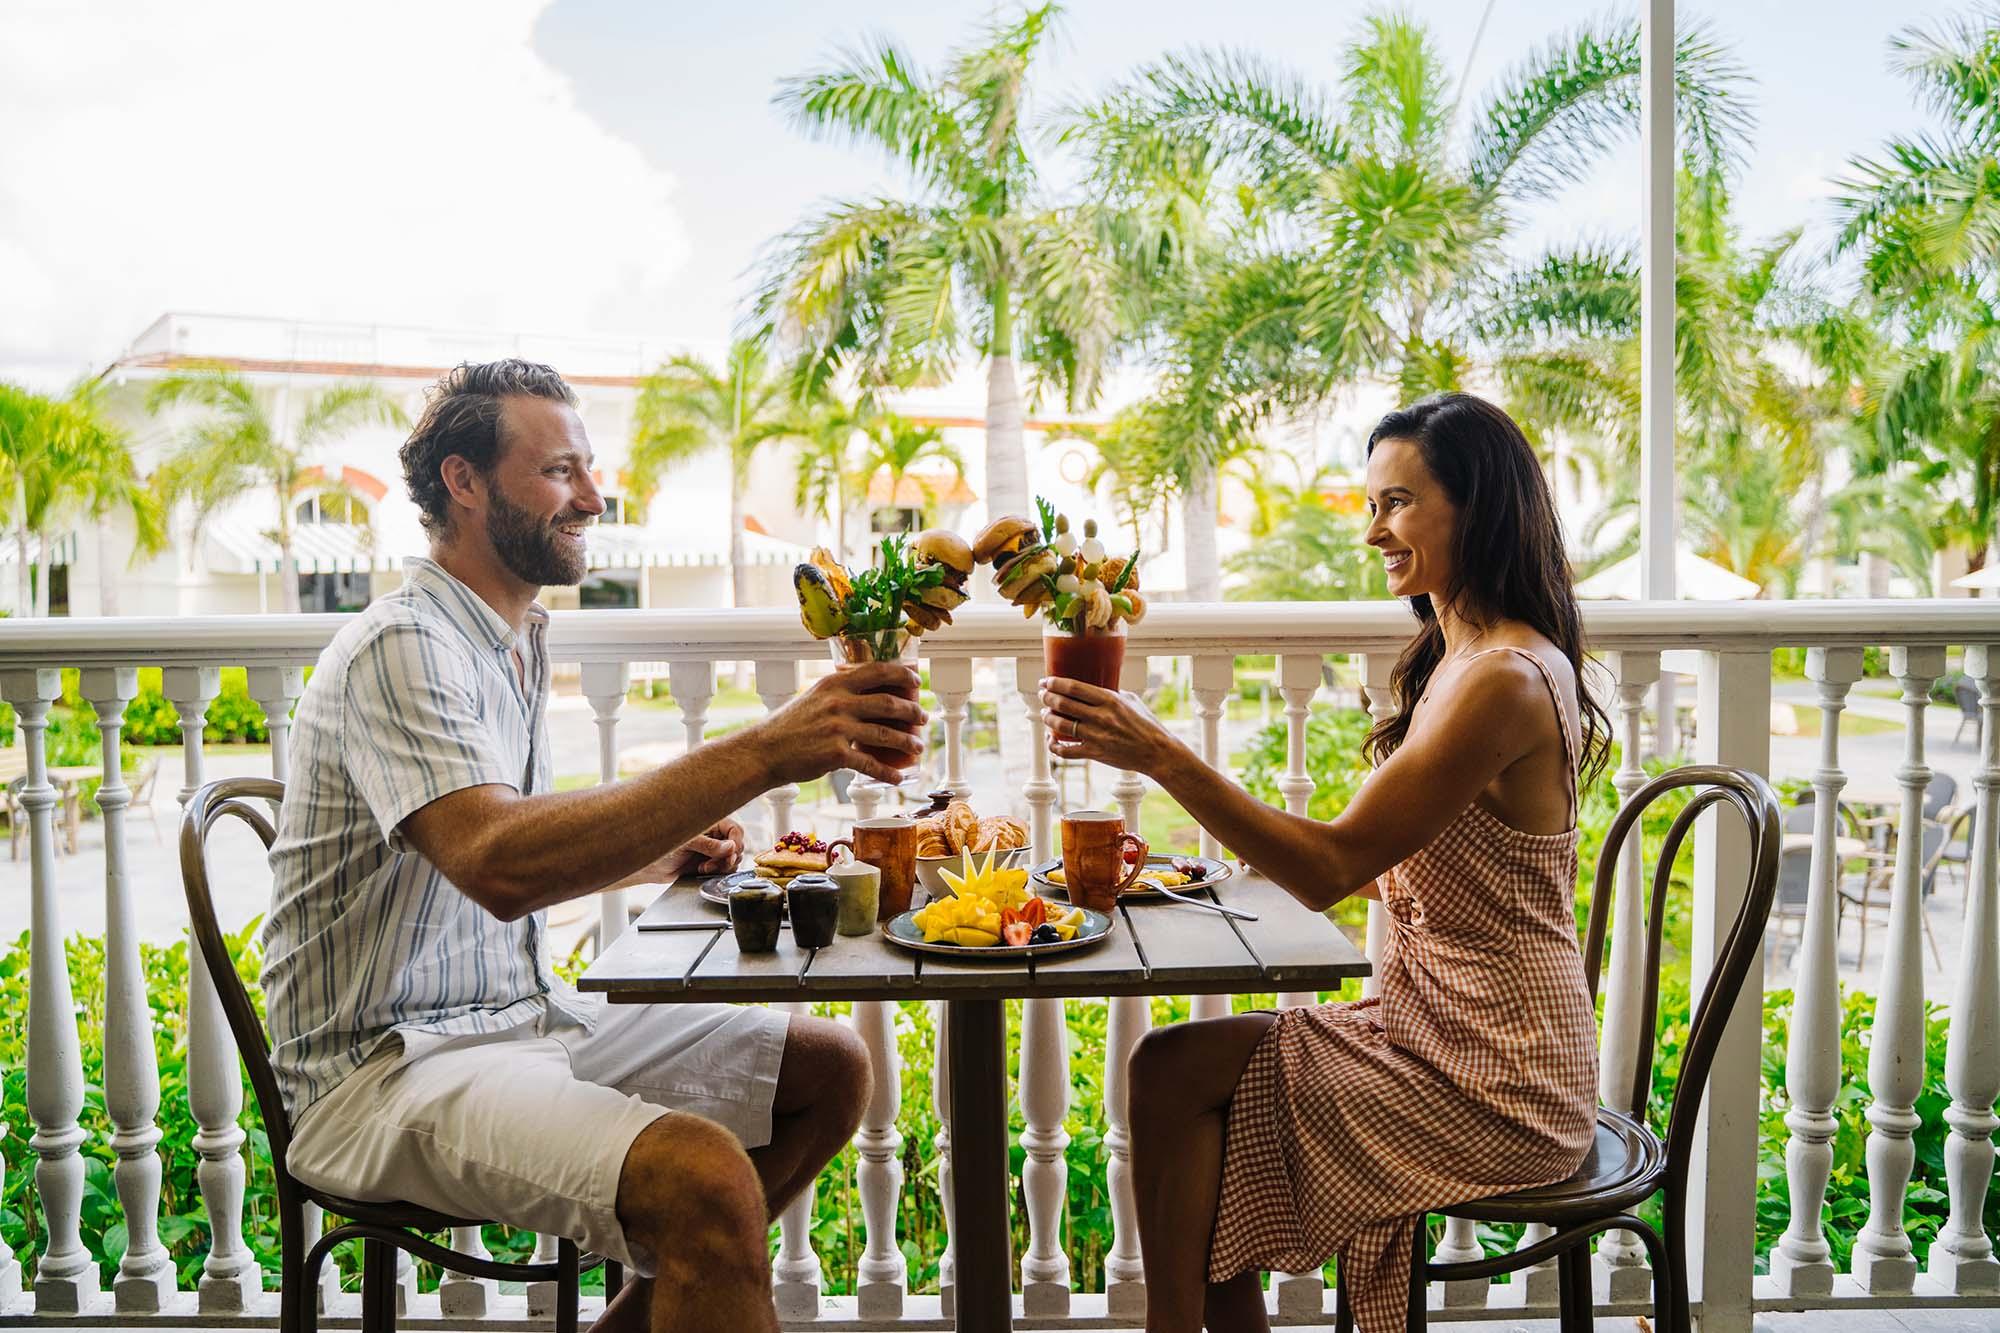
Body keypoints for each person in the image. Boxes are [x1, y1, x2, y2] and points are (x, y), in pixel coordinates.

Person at [265, 359, 927, 1333]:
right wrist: (768, 748)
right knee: (704, 1182)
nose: (593, 495)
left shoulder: (511, 640)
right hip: (384, 1069)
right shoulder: (404, 646)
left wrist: (655, 856)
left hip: (516, 1019)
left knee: (829, 1070)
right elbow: (495, 860)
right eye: (561, 470)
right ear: (464, 480)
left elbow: (483, 847)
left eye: (589, 469)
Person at [1039, 392, 1610, 1333]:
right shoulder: (1458, 658)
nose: (1373, 529)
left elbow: (1332, 865)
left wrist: (1160, 753)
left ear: (1478, 508)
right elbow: (1361, 855)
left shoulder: (1503, 679)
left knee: (1177, 1078)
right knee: (1173, 1071)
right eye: (1371, 502)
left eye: (1397, 502)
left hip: (1500, 1077)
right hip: (1432, 1030)